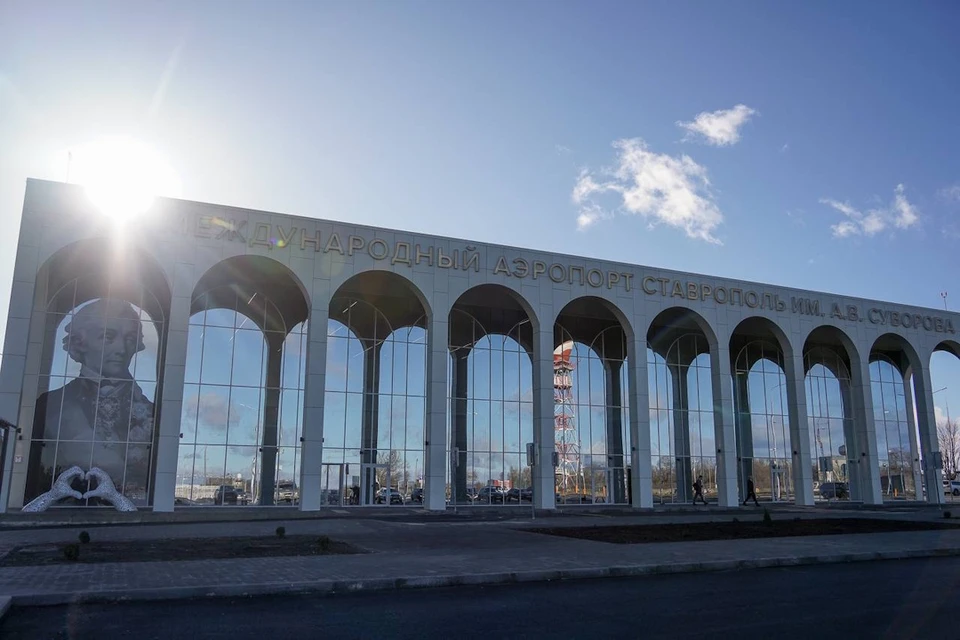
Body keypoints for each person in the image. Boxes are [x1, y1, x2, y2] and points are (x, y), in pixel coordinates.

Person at [27, 298, 155, 505]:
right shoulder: (50, 405)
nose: (121, 349)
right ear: (80, 342)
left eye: (130, 339)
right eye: (108, 336)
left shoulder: (152, 412)